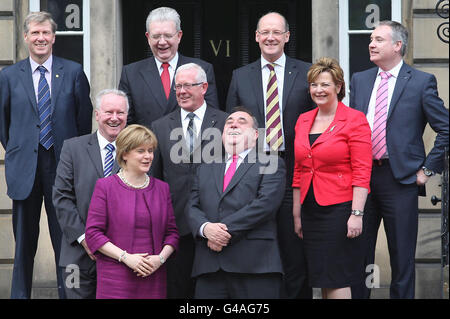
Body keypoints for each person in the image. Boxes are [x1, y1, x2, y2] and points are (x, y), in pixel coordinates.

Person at [349, 21, 449, 299]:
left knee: (402, 258)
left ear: (397, 46)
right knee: (358, 254)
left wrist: (428, 169)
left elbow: (446, 127)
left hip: (400, 178)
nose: (371, 43)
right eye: (371, 38)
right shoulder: (360, 79)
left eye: (379, 39)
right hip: (362, 179)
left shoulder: (420, 81)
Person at [0, 11, 93, 299]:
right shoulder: (8, 76)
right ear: (26, 37)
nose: (41, 38)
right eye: (35, 33)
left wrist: (73, 161)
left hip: (63, 167)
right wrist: (20, 148)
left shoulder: (74, 71)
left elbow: (83, 122)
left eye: (46, 33)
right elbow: (3, 125)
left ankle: (70, 295)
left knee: (66, 240)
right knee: (24, 244)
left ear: (54, 37)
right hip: (24, 168)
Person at [225, 11, 314, 298]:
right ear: (256, 37)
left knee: (294, 244)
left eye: (277, 32)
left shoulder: (306, 73)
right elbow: (233, 127)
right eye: (265, 32)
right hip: (255, 169)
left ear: (287, 36)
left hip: (295, 169)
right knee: (258, 241)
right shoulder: (240, 76)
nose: (270, 37)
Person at [292, 57, 372, 299]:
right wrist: (297, 214)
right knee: (323, 278)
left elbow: (362, 171)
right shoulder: (303, 119)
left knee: (337, 277)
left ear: (338, 86)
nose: (318, 90)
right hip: (310, 209)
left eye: (325, 84)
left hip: (340, 209)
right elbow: (299, 170)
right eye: (314, 85)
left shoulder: (355, 119)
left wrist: (356, 215)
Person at [188, 108, 285, 299]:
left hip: (255, 266)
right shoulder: (204, 168)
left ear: (256, 134)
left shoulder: (271, 163)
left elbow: (265, 205)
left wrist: (220, 233)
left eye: (242, 121)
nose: (233, 124)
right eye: (229, 121)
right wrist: (205, 228)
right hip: (210, 268)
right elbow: (192, 206)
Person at [150, 63, 228, 298]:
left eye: (187, 85)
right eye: (178, 87)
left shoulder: (226, 123)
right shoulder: (160, 126)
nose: (181, 91)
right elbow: (155, 179)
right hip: (175, 225)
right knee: (178, 289)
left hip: (215, 223)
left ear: (204, 87)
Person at [85, 124, 179, 299]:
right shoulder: (105, 187)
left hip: (153, 277)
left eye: (150, 151)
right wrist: (125, 257)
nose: (148, 156)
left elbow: (172, 233)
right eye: (141, 151)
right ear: (124, 154)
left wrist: (160, 259)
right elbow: (93, 234)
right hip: (115, 278)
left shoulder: (162, 188)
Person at [53, 89, 129, 298]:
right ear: (97, 115)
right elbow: (61, 197)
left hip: (122, 256)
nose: (114, 118)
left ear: (127, 116)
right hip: (77, 256)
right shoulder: (72, 148)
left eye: (120, 113)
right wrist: (86, 238)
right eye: (108, 112)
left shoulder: (138, 152)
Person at [119, 6, 219, 128]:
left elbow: (212, 117)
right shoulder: (130, 73)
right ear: (148, 37)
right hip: (147, 145)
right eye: (156, 36)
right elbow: (125, 121)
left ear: (179, 36)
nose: (162, 42)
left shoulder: (202, 69)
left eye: (168, 35)